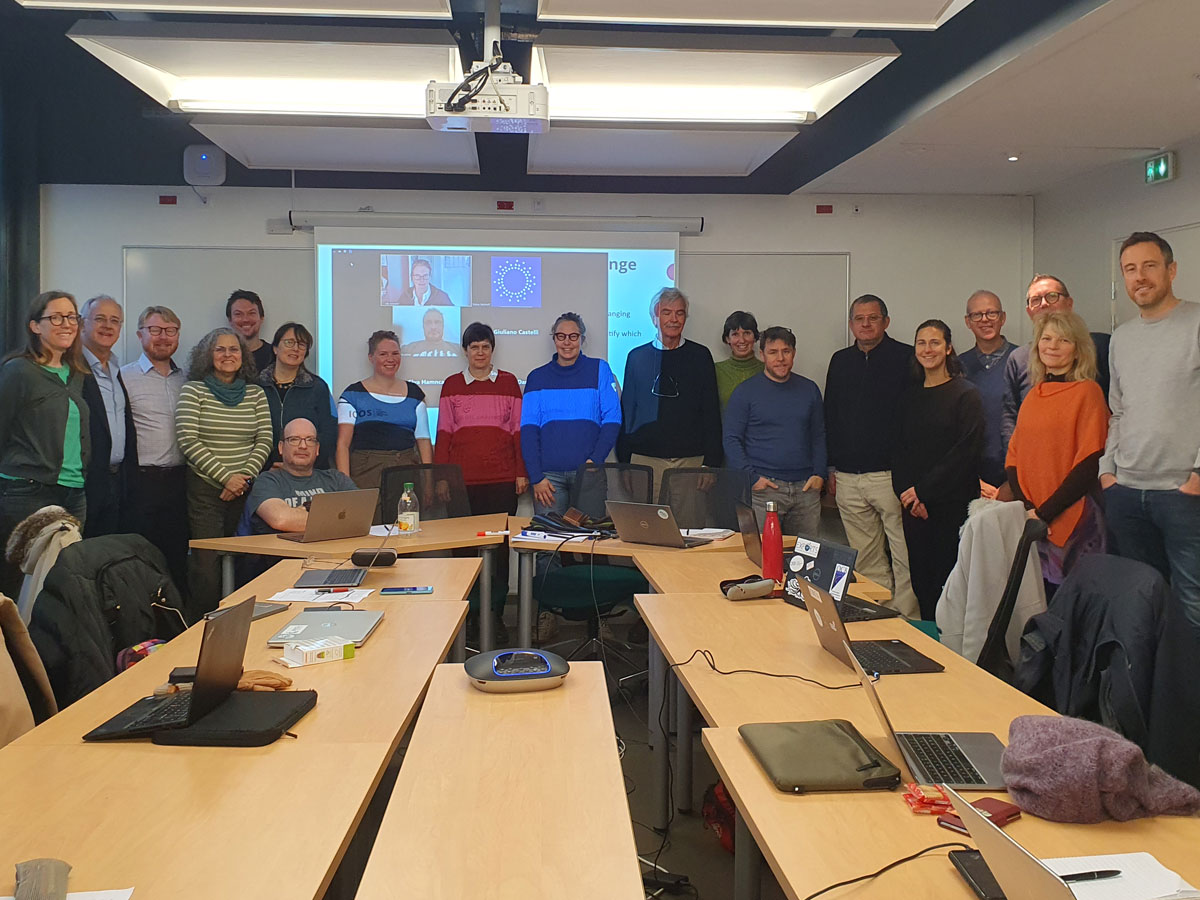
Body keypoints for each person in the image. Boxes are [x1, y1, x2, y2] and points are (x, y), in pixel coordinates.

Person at [1101, 231, 1200, 626]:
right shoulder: (1122, 338)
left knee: (1192, 606)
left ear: (1171, 270)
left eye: (1149, 266)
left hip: (1183, 494)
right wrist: (1107, 471)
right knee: (1144, 607)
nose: (1139, 277)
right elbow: (1118, 411)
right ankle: (1156, 688)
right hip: (1127, 492)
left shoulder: (1195, 324)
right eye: (1130, 269)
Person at [823, 295, 918, 617]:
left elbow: (916, 418)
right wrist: (832, 468)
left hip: (891, 475)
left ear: (886, 322)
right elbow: (831, 415)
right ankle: (877, 614)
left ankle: (907, 619)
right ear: (851, 324)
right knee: (865, 556)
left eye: (873, 318)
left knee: (905, 553)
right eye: (859, 319)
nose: (865, 324)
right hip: (848, 476)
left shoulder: (907, 357)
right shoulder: (840, 361)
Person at [436, 322, 527, 639]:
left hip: (501, 480)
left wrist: (521, 471)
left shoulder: (509, 383)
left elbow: (518, 431)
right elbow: (444, 433)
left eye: (485, 346)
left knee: (499, 551)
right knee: (463, 552)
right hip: (461, 482)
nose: (479, 352)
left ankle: (495, 614)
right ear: (465, 351)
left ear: (492, 349)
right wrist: (442, 477)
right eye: (473, 347)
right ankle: (467, 615)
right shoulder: (451, 385)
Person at [176, 327, 273, 615]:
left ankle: (246, 624)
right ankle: (202, 630)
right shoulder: (194, 390)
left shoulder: (255, 393)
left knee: (248, 561)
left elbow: (265, 438)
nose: (228, 355)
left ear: (243, 356)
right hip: (206, 490)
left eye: (234, 350)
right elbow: (187, 439)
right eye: (220, 349)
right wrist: (226, 478)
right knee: (206, 568)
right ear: (208, 355)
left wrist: (242, 479)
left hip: (247, 489)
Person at [0, 291, 90, 601]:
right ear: (35, 326)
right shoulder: (18, 371)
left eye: (71, 317)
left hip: (73, 493)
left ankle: (48, 650)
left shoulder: (76, 374)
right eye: (55, 317)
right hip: (28, 492)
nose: (66, 323)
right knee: (19, 588)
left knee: (62, 587)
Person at [1006, 311, 1107, 584]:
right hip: (1031, 519)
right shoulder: (1033, 396)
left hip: (1074, 522)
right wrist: (1027, 508)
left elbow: (1089, 462)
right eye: (1046, 338)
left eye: (1063, 340)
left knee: (1072, 604)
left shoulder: (1088, 393)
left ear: (1077, 350)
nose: (1052, 346)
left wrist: (1044, 513)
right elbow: (1013, 458)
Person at [892, 320, 984, 621]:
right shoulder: (908, 396)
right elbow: (900, 450)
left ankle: (953, 657)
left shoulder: (965, 394)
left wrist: (924, 492)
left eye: (934, 343)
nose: (927, 349)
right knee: (922, 585)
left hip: (951, 507)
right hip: (915, 509)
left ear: (948, 348)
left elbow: (965, 453)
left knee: (951, 586)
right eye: (921, 343)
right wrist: (909, 496)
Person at [616, 288, 722, 497]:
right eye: (666, 312)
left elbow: (711, 412)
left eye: (679, 313)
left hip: (691, 462)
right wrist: (625, 463)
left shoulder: (700, 356)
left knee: (690, 528)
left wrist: (711, 463)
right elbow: (628, 411)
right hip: (645, 462)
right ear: (655, 318)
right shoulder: (637, 357)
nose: (673, 319)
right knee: (646, 527)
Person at [723, 326, 825, 537]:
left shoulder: (809, 389)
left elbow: (819, 435)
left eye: (786, 351)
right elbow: (731, 439)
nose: (780, 358)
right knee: (761, 559)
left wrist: (820, 474)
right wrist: (752, 478)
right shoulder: (745, 392)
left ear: (793, 353)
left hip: (806, 489)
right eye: (773, 352)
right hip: (764, 490)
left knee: (806, 561)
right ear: (762, 355)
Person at [520, 312, 621, 517]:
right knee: (549, 544)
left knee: (590, 542)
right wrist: (536, 478)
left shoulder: (600, 369)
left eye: (573, 336)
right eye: (561, 336)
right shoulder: (536, 378)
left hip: (589, 474)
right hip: (548, 479)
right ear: (554, 339)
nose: (567, 342)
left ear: (582, 339)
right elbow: (528, 432)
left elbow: (612, 419)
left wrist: (596, 460)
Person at [120, 305, 189, 592]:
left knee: (177, 561)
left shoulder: (188, 380)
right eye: (155, 330)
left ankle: (176, 625)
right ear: (140, 334)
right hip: (141, 484)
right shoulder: (123, 377)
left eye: (170, 331)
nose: (163, 337)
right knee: (139, 560)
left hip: (182, 483)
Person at [1000, 275, 1110, 450]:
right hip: (1032, 461)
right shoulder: (1018, 358)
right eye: (1035, 300)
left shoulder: (1101, 347)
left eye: (1052, 296)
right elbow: (1010, 417)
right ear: (1029, 311)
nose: (1044, 304)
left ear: (1069, 303)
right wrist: (1014, 464)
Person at [337, 330, 433, 521]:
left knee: (406, 530)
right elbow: (342, 445)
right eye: (383, 354)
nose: (390, 359)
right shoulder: (352, 395)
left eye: (395, 353)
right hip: (365, 473)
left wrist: (428, 482)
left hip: (405, 473)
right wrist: (346, 486)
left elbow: (423, 442)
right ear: (371, 358)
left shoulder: (415, 394)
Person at [240, 418, 357, 536]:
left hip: (334, 552)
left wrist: (298, 513)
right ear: (281, 447)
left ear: (317, 449)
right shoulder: (267, 481)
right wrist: (340, 517)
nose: (303, 446)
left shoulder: (336, 479)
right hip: (285, 553)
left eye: (310, 440)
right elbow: (281, 520)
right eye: (294, 439)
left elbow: (361, 517)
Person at [79, 294, 135, 537]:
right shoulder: (72, 367)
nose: (108, 326)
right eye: (100, 318)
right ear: (82, 323)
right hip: (85, 483)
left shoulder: (115, 368)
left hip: (116, 481)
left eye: (115, 321)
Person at [958, 290, 1017, 495]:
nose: (985, 320)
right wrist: (973, 480)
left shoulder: (1023, 361)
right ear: (968, 321)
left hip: (1016, 474)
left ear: (1003, 318)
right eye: (977, 315)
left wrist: (1012, 484)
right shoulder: (957, 367)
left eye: (992, 313)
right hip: (968, 476)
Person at [257, 322, 336, 470]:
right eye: (289, 342)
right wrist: (267, 466)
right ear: (275, 348)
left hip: (308, 471)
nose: (295, 348)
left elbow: (328, 434)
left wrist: (300, 465)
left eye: (301, 344)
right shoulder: (256, 386)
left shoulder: (318, 387)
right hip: (264, 471)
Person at [714, 310, 764, 410]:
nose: (742, 340)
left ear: (755, 337)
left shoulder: (767, 370)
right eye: (735, 334)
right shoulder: (715, 371)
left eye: (747, 333)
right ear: (727, 339)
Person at [225, 289, 273, 372]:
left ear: (261, 318)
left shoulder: (275, 356)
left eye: (251, 313)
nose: (245, 319)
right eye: (238, 314)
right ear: (230, 320)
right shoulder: (222, 357)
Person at [385, 258, 452, 306]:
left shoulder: (442, 297)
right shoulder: (405, 297)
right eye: (417, 276)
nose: (421, 280)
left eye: (425, 276)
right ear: (412, 277)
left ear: (430, 277)